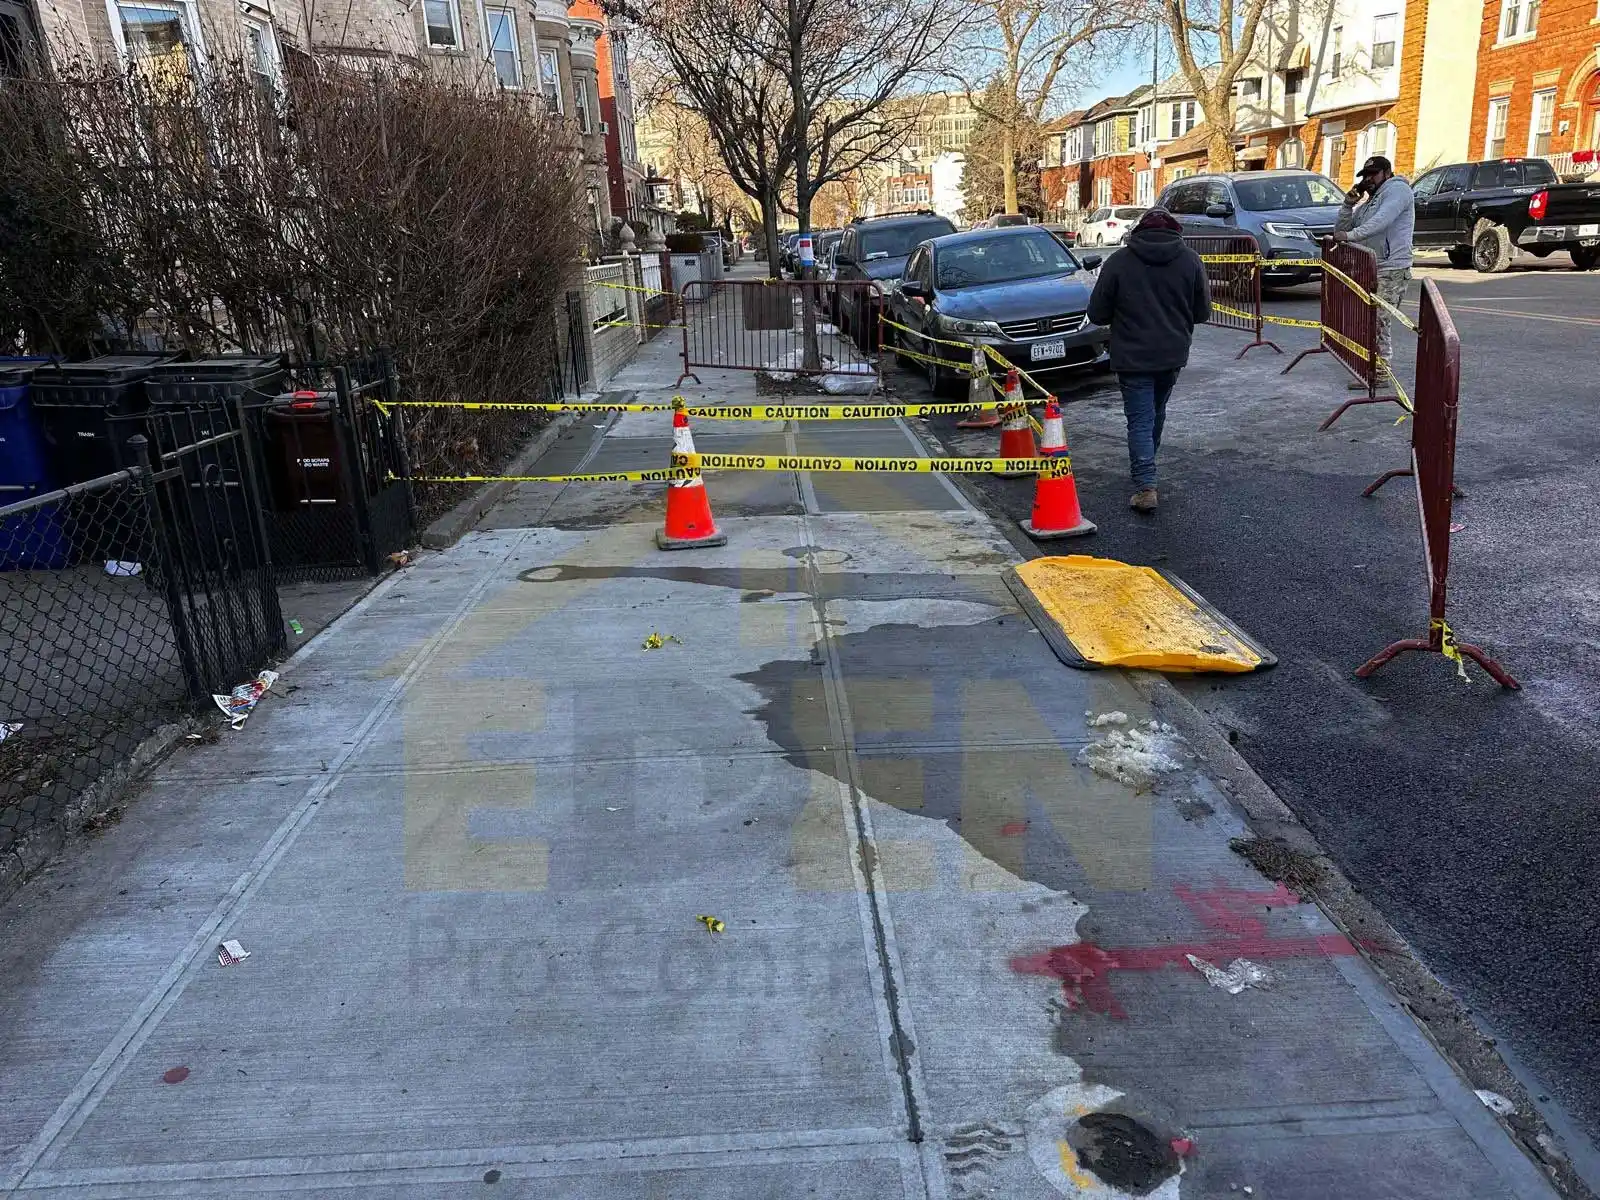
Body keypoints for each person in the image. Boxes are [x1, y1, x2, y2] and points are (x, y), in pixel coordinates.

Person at [1086, 207, 1211, 513]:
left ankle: (1145, 485)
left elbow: (1097, 313)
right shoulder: (1190, 260)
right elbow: (1202, 312)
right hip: (1172, 353)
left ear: (1138, 232)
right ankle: (1146, 471)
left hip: (1132, 355)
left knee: (1141, 420)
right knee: (1156, 412)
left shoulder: (1119, 262)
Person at [1330, 155, 1415, 369]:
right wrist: (1348, 205)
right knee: (1366, 319)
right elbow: (1343, 229)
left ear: (1387, 173)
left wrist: (1350, 237)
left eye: (1373, 174)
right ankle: (1368, 368)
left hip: (1391, 268)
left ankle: (1380, 371)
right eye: (1365, 175)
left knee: (1377, 320)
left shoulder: (1398, 190)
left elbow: (1382, 220)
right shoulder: (1369, 203)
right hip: (1369, 267)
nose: (1368, 179)